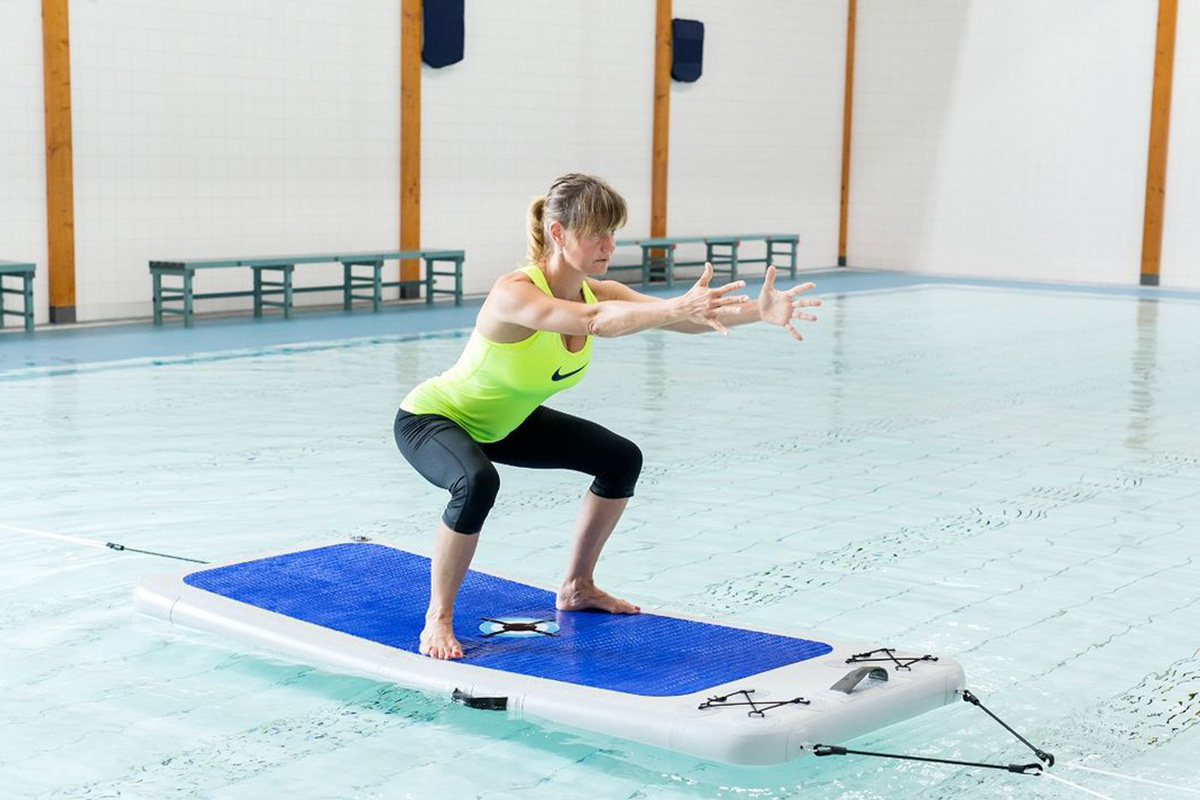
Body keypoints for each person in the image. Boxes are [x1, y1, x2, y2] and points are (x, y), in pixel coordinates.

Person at [394, 173, 821, 659]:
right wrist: (673, 305)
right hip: (434, 419)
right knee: (477, 482)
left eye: (613, 231)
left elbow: (681, 319)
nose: (608, 244)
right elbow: (596, 323)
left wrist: (757, 313)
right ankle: (438, 619)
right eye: (597, 232)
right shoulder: (514, 293)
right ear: (558, 233)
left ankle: (577, 587)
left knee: (620, 460)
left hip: (505, 423)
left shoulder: (600, 290)